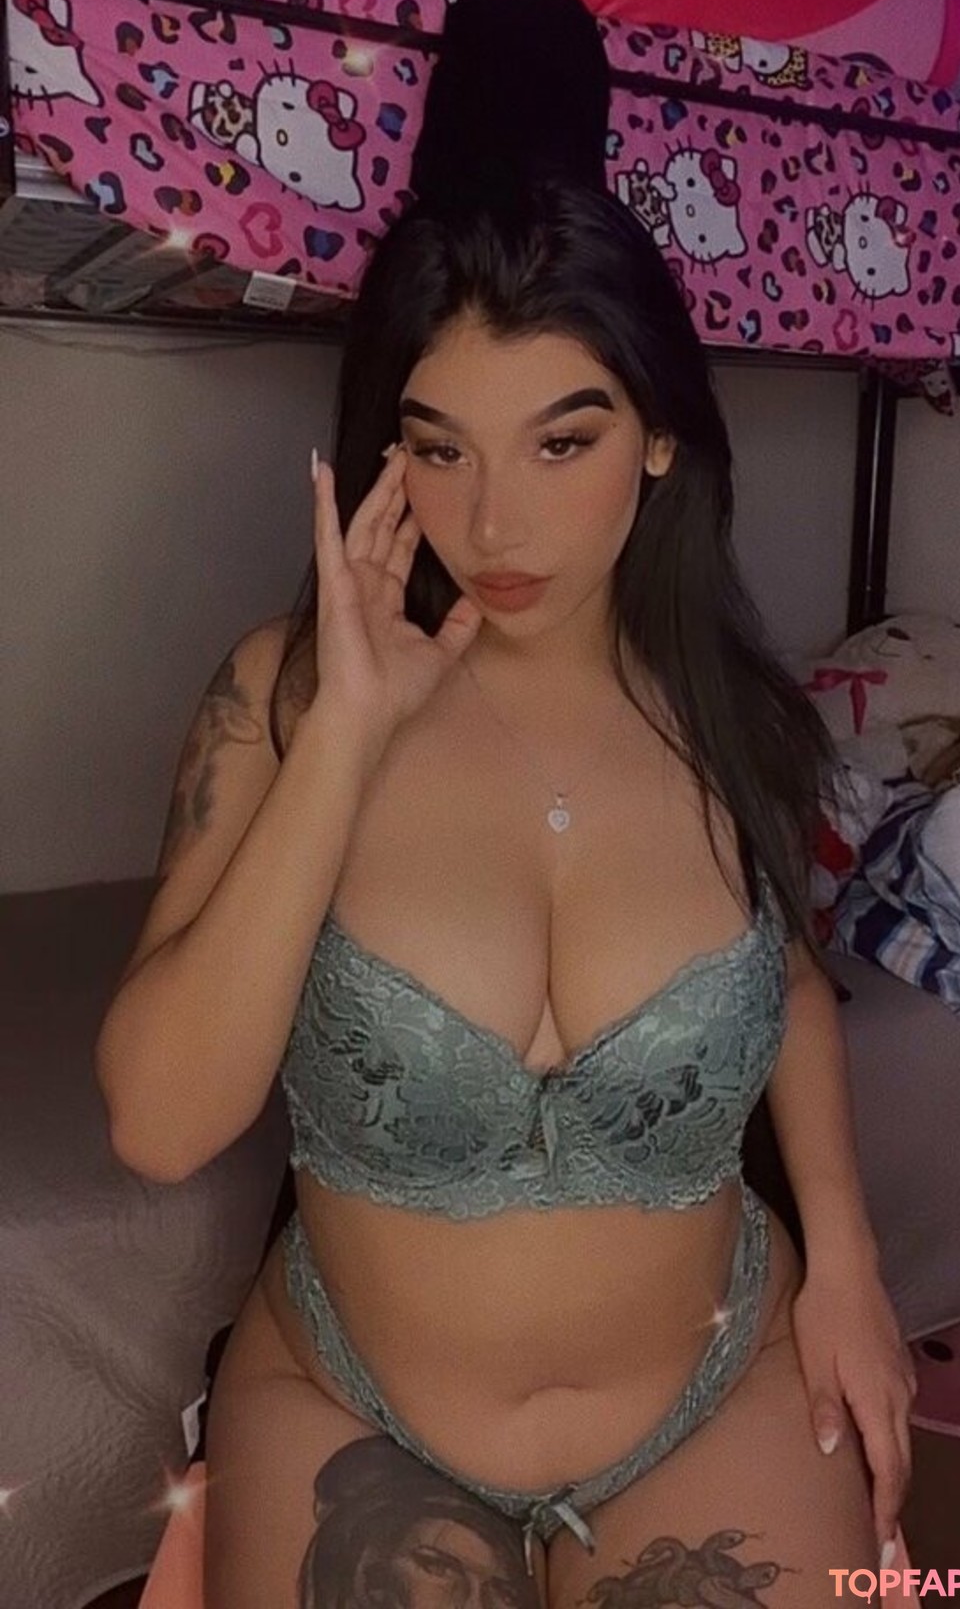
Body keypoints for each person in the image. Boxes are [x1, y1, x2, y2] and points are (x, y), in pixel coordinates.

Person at [95, 173, 916, 1609]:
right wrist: (349, 737)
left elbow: (780, 977)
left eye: (561, 442)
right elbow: (160, 1126)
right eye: (440, 449)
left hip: (718, 1382)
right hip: (356, 1404)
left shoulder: (736, 719)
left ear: (659, 435)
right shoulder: (281, 696)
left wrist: (847, 1259)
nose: (492, 521)